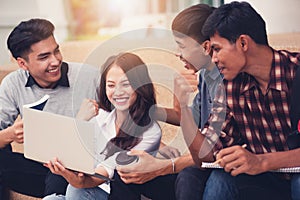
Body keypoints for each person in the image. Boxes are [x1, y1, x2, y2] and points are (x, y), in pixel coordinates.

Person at [176, 1, 300, 199]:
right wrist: (183, 110)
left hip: (294, 176)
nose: (213, 58)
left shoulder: (295, 74)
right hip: (264, 182)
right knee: (220, 179)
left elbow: (259, 163)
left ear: (243, 43)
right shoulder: (229, 86)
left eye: (217, 49)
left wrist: (260, 161)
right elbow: (205, 156)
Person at [111, 4, 223, 200]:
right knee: (127, 170)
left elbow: (214, 153)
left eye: (181, 45)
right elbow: (186, 118)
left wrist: (165, 166)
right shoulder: (205, 75)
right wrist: (145, 109)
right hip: (199, 162)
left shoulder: (226, 81)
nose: (177, 53)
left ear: (205, 47)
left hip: (210, 167)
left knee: (188, 176)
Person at [0, 18, 100, 198]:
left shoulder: (90, 76)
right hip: (39, 168)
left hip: (82, 170)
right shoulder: (13, 84)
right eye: (44, 57)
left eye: (56, 51)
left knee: (62, 166)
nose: (55, 61)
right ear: (23, 64)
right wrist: (11, 134)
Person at [43, 52, 163, 200]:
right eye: (111, 85)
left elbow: (104, 173)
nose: (118, 92)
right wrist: (80, 120)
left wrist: (77, 180)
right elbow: (68, 152)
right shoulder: (99, 117)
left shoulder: (150, 132)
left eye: (125, 84)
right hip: (85, 187)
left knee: (77, 191)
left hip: (115, 193)